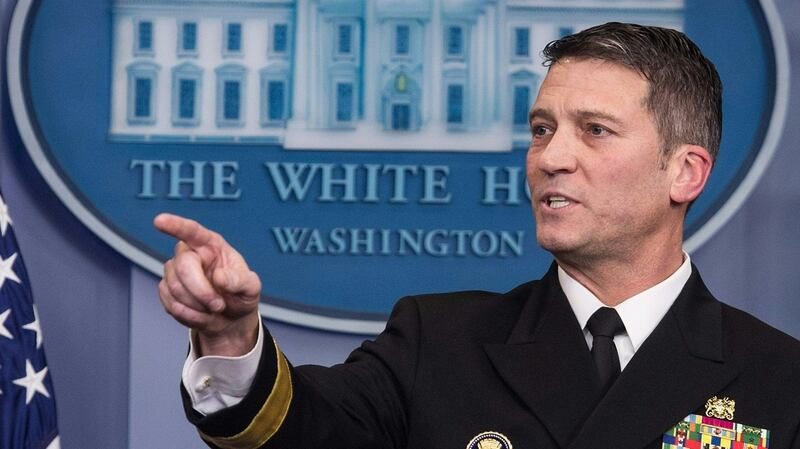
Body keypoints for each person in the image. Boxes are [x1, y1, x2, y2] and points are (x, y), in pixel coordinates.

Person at [155, 22, 800, 449]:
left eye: (595, 131)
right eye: (542, 129)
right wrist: (232, 339)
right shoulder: (435, 343)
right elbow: (300, 431)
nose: (551, 157)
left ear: (685, 172)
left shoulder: (781, 378)